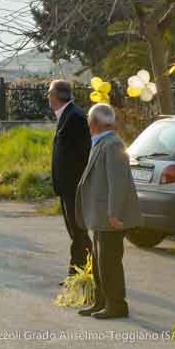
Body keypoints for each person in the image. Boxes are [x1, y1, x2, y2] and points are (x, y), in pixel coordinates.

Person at [75, 103, 142, 319]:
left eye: (88, 120)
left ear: (94, 123)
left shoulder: (112, 145)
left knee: (109, 263)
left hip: (109, 217)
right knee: (99, 261)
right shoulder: (102, 142)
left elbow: (118, 183)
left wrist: (114, 213)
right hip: (100, 216)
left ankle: (117, 305)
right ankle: (101, 301)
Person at [48, 79, 93, 282]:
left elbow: (84, 153)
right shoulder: (67, 115)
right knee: (76, 232)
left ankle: (80, 272)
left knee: (78, 231)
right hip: (66, 186)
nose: (48, 97)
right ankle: (88, 269)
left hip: (74, 186)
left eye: (50, 93)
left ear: (56, 96)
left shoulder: (75, 117)